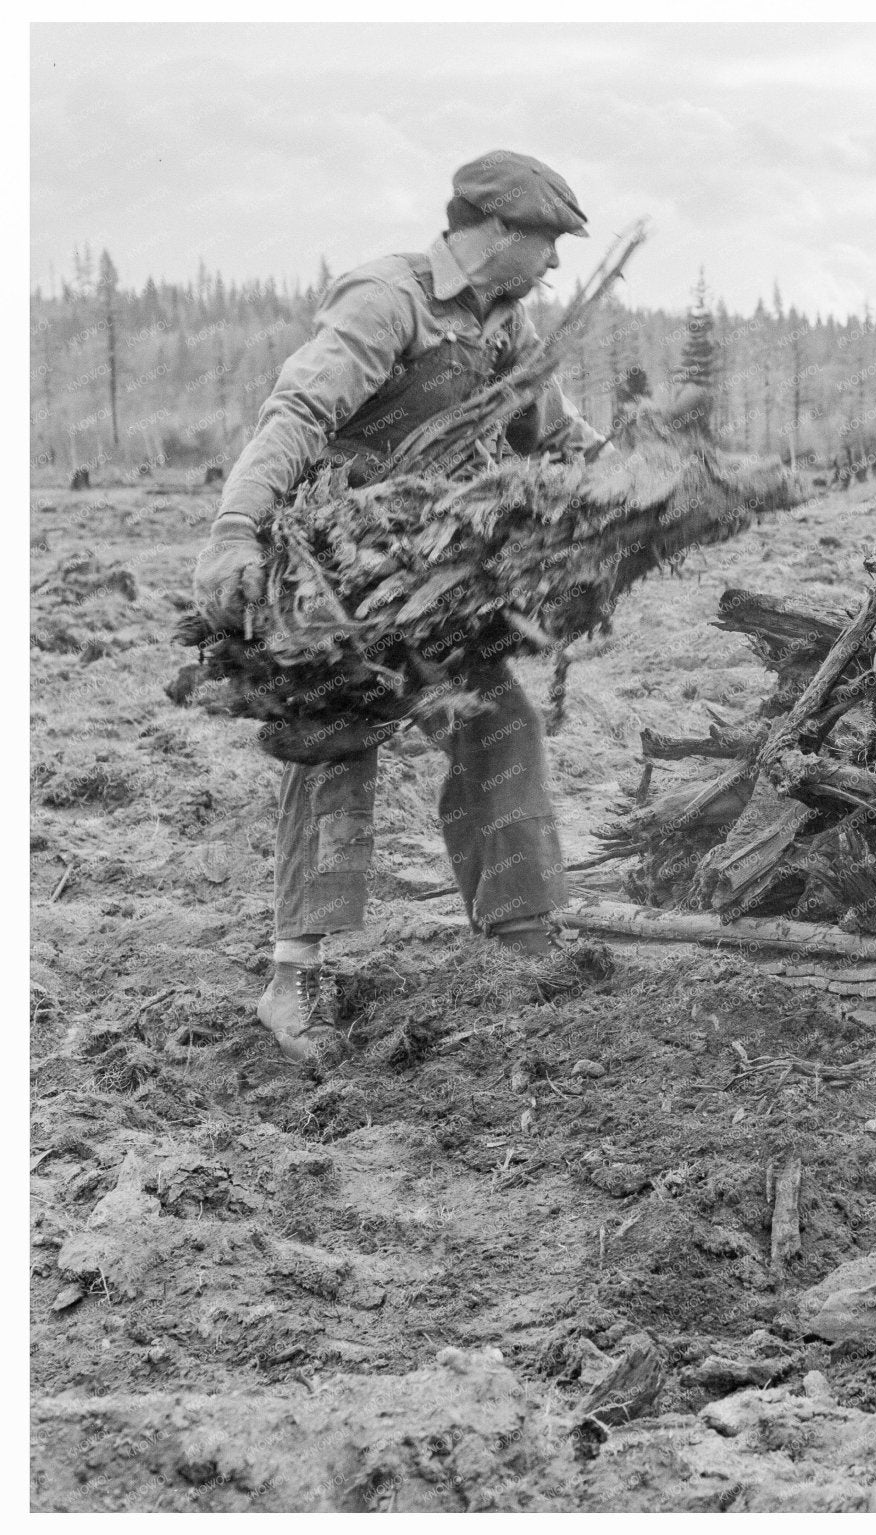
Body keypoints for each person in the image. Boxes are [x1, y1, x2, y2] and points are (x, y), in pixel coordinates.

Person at [192, 151, 606, 1066]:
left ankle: (520, 941)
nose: (554, 263)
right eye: (547, 242)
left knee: (499, 720)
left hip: (431, 583)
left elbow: (553, 433)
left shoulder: (507, 322)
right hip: (340, 580)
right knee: (334, 744)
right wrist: (235, 527)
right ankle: (292, 980)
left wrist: (630, 475)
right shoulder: (387, 300)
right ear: (497, 231)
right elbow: (296, 413)